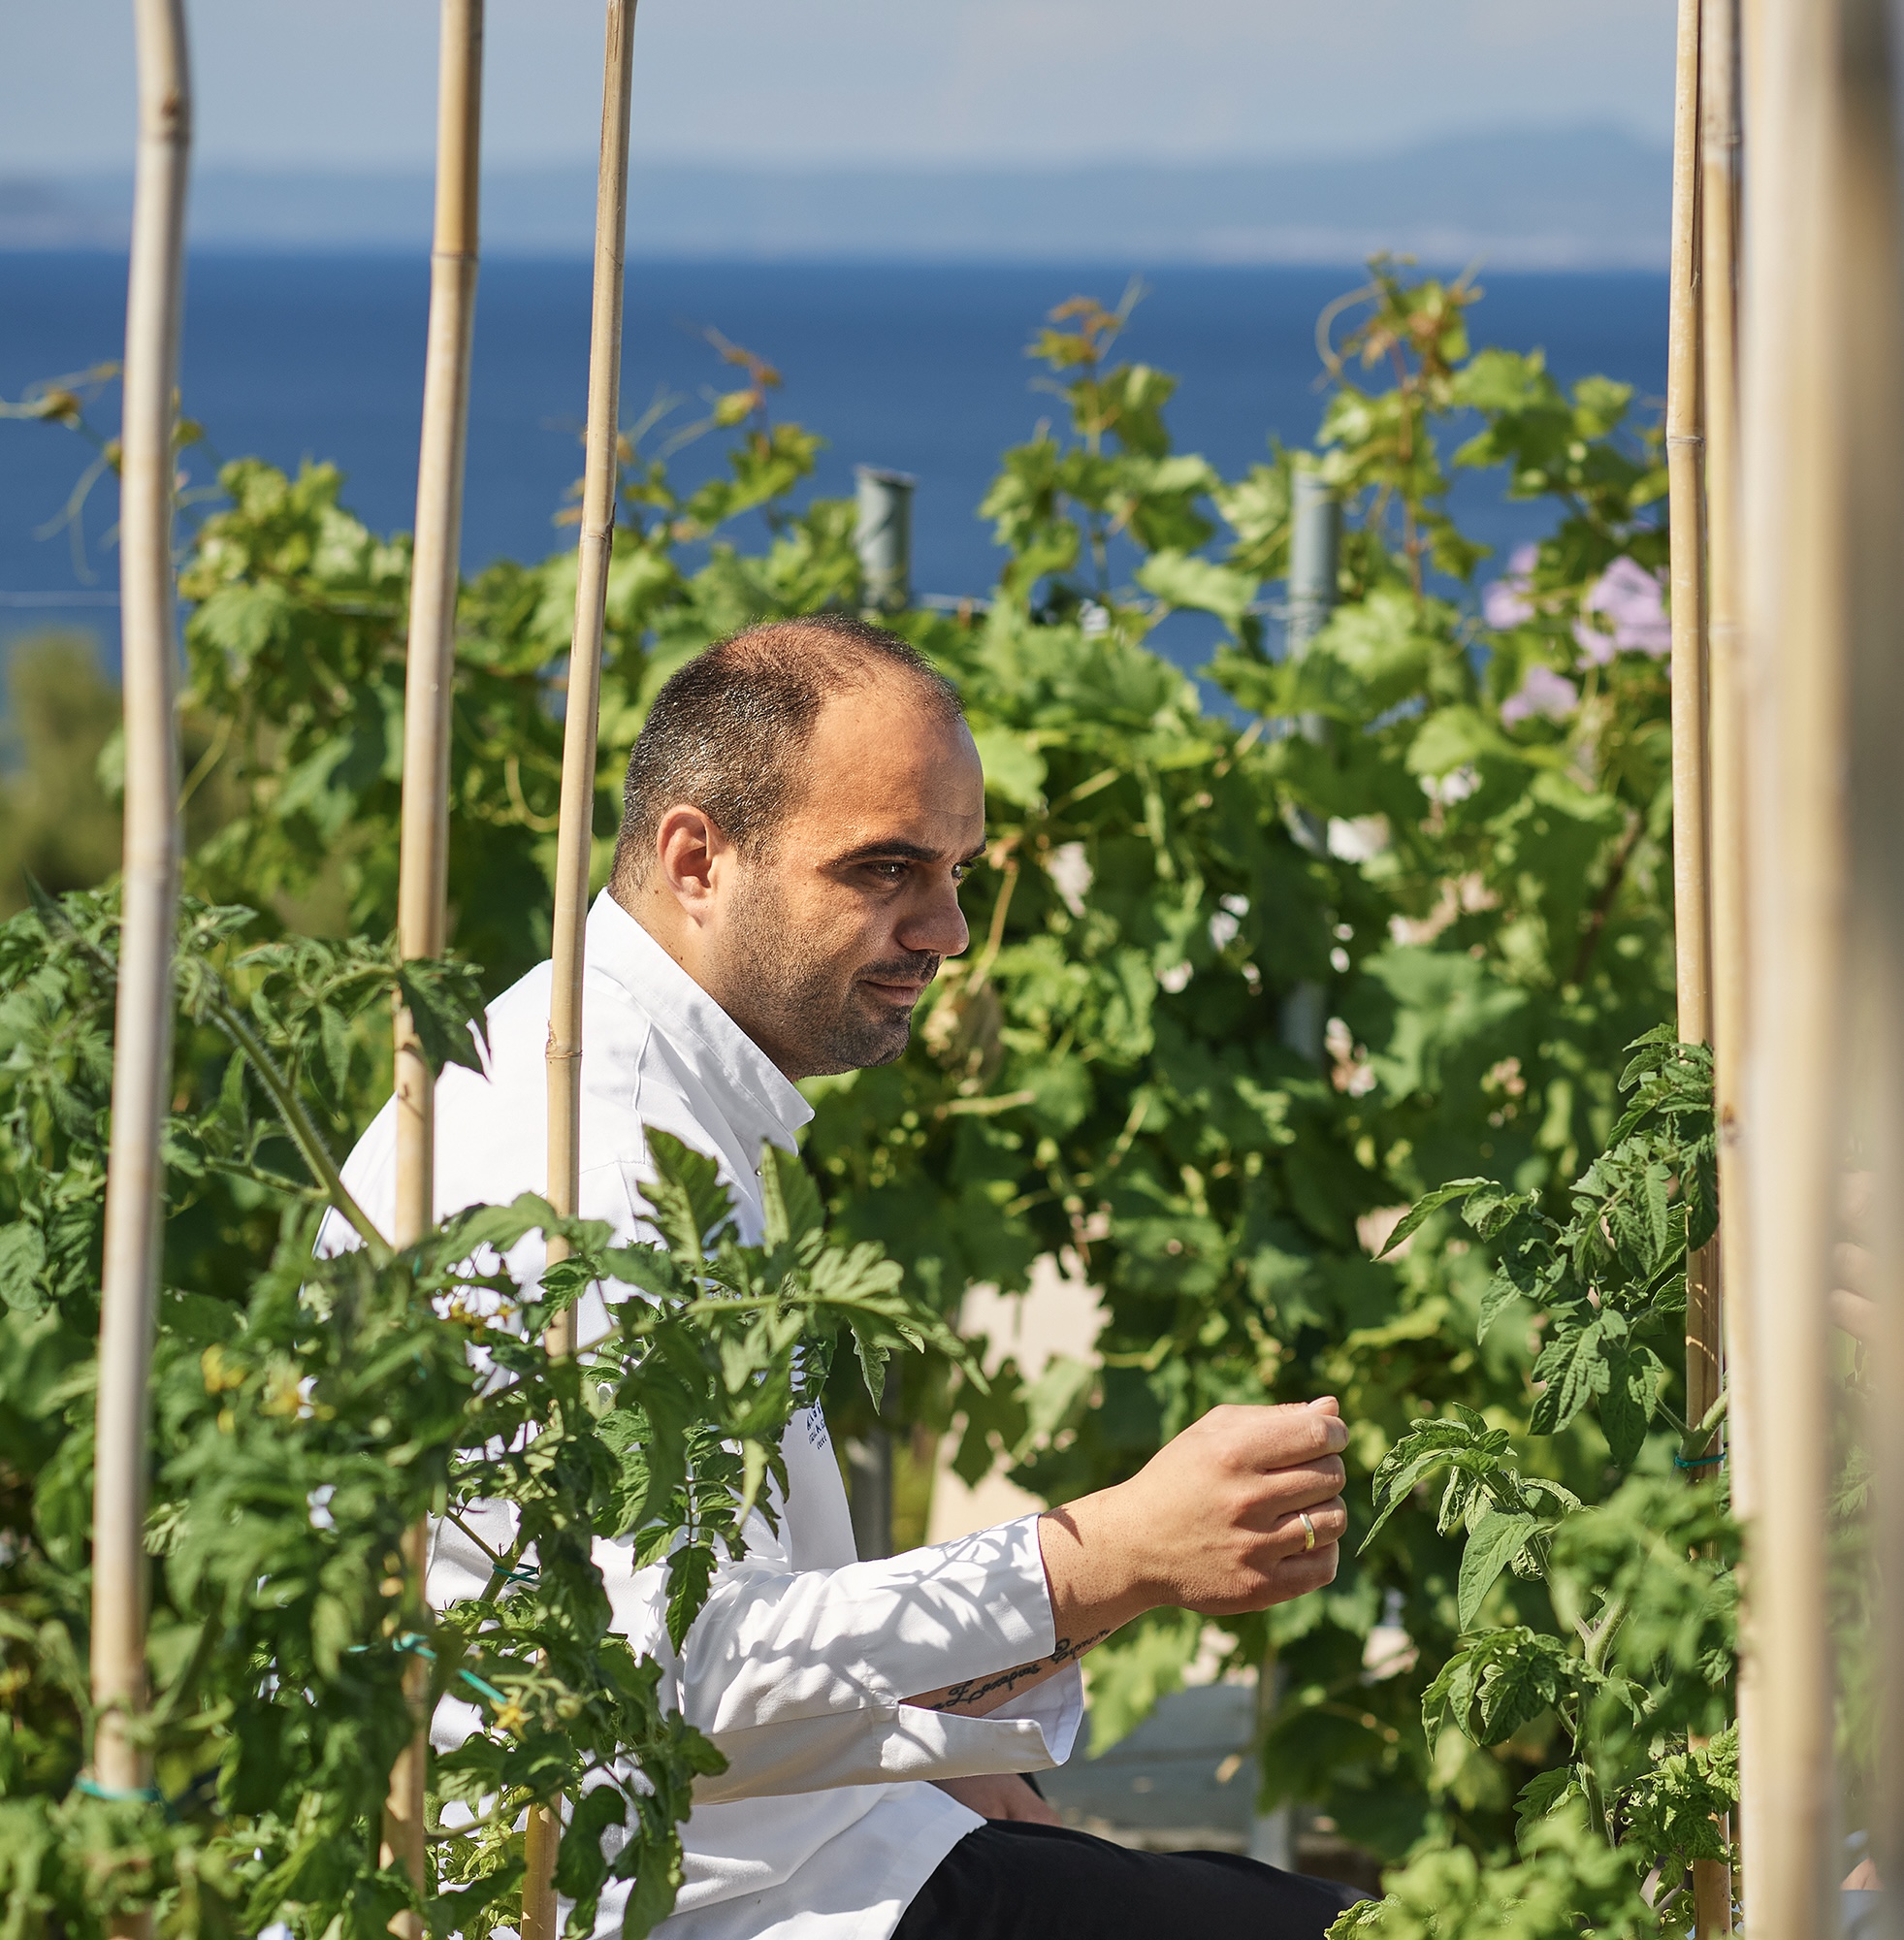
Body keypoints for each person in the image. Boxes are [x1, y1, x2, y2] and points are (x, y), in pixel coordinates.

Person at [325, 615, 1360, 1939]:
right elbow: (669, 1684)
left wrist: (960, 1754)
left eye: (959, 870)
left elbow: (721, 1610)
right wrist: (1102, 1561)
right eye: (887, 870)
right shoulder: (589, 1165)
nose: (947, 930)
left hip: (778, 1843)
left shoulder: (651, 1091)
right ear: (699, 857)